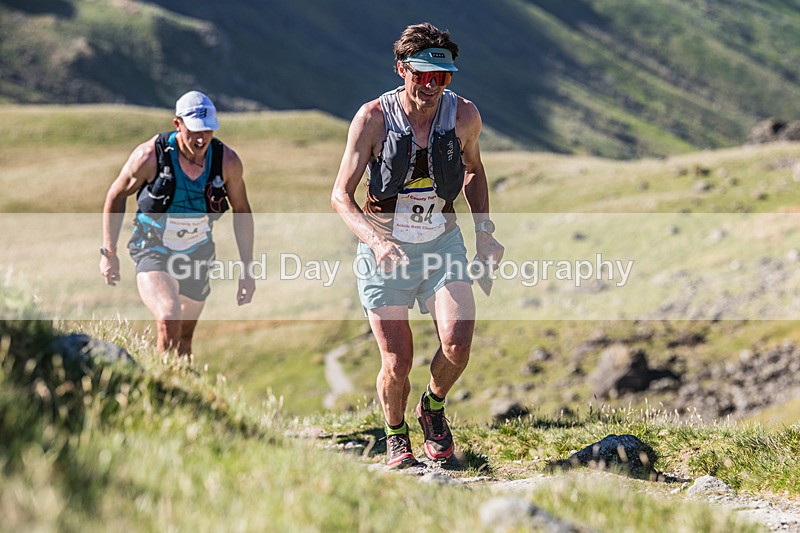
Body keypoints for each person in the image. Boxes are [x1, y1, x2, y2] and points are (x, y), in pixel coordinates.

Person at [331, 23, 504, 468]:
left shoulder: (464, 116)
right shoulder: (372, 118)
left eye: (441, 78)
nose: (430, 87)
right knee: (397, 360)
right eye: (422, 76)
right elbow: (340, 196)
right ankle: (395, 434)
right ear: (401, 69)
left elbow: (474, 171)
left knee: (457, 344)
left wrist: (484, 233)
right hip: (384, 249)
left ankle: (432, 407)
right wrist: (374, 241)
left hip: (442, 243)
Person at [100, 90, 255, 358]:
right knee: (169, 315)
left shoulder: (227, 162)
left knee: (184, 340)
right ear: (177, 124)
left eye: (208, 130)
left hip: (198, 254)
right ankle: (161, 389)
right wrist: (108, 252)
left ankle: (181, 390)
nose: (201, 138)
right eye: (194, 130)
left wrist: (247, 268)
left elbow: (242, 211)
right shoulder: (149, 156)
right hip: (153, 248)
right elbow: (116, 195)